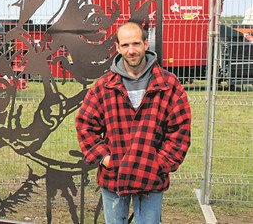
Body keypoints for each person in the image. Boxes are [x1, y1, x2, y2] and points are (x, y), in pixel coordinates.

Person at [75, 21, 192, 224]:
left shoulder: (168, 84)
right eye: (126, 45)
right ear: (118, 48)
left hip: (152, 175)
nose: (132, 51)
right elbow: (85, 124)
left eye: (136, 44)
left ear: (146, 44)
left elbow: (180, 130)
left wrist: (161, 162)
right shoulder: (105, 86)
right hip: (114, 175)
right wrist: (104, 158)